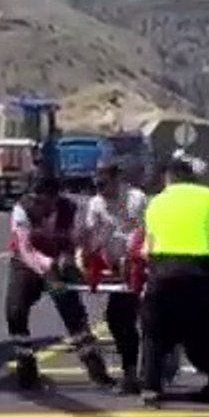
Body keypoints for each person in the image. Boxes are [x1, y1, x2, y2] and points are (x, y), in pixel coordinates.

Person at [139, 157, 209, 407]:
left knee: (153, 333)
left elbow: (146, 249)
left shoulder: (155, 201)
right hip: (198, 272)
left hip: (162, 270)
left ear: (168, 178)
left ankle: (151, 389)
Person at [7, 174, 113, 390]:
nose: (36, 206)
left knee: (73, 314)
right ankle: (26, 367)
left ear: (54, 199)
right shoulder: (21, 210)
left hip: (60, 260)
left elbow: (82, 241)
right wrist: (48, 267)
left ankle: (98, 372)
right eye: (34, 200)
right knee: (15, 309)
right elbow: (25, 249)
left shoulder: (71, 210)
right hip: (29, 263)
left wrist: (74, 258)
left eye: (42, 201)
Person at [81, 161, 149, 394]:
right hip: (116, 267)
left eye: (104, 184)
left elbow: (148, 231)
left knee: (142, 319)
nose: (100, 189)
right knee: (118, 319)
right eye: (96, 184)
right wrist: (86, 256)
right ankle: (131, 373)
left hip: (140, 264)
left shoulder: (136, 199)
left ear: (116, 179)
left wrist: (136, 258)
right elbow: (91, 237)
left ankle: (147, 374)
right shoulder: (96, 204)